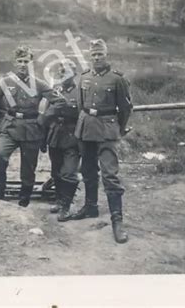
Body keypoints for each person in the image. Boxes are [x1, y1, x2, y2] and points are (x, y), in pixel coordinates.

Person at [0, 45, 66, 207]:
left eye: (26, 61)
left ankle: (25, 194)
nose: (22, 64)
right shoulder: (5, 82)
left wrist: (44, 118)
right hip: (10, 126)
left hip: (31, 128)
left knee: (28, 166)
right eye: (20, 61)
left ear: (31, 62)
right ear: (15, 62)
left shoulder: (40, 84)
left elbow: (60, 101)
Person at [72, 39, 132, 244]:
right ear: (90, 56)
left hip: (107, 130)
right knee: (87, 171)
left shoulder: (117, 79)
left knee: (110, 175)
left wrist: (119, 129)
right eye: (94, 55)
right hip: (86, 128)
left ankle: (117, 221)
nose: (97, 58)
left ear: (106, 55)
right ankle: (90, 207)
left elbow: (125, 109)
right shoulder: (84, 77)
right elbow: (81, 104)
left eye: (100, 54)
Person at [41, 58, 81, 222]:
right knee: (56, 171)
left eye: (68, 71)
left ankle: (66, 206)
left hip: (72, 137)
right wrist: (43, 140)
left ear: (75, 74)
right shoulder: (54, 91)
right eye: (61, 71)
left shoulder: (80, 93)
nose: (64, 74)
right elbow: (46, 115)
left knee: (69, 173)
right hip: (55, 136)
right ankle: (59, 200)